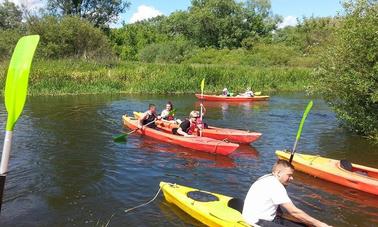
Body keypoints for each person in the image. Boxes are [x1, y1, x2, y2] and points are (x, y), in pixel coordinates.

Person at [242, 160, 331, 227]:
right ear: (278, 173)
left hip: (260, 217)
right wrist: (320, 224)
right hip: (258, 222)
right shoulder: (276, 186)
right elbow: (294, 212)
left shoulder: (267, 177)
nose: (291, 178)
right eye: (289, 175)